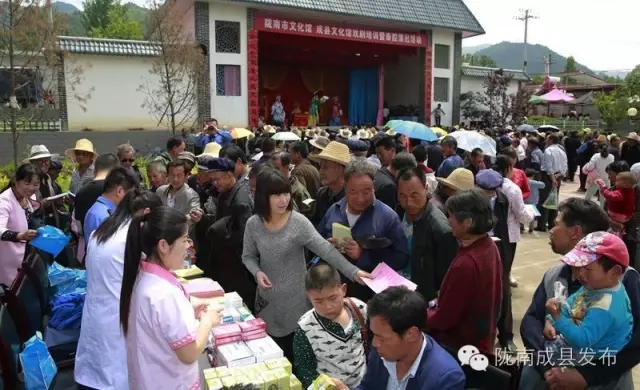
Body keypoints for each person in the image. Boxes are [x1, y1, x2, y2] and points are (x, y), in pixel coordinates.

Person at [242, 168, 367, 361]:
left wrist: (354, 272)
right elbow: (248, 256)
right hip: (267, 303)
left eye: (285, 193)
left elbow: (326, 250)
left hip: (297, 303)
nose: (283, 200)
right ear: (262, 196)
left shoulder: (298, 222)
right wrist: (257, 272)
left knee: (298, 358)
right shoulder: (253, 224)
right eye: (276, 195)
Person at [520, 198, 640, 390]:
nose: (550, 229)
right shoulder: (555, 274)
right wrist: (547, 367)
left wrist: (587, 376)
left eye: (556, 224)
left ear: (575, 232)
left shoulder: (624, 280)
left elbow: (635, 340)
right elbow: (531, 321)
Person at [120, 206, 222, 390]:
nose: (188, 246)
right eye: (184, 239)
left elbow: (159, 324)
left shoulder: (144, 277)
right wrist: (207, 322)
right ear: (163, 246)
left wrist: (188, 310)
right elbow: (189, 353)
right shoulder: (164, 293)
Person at [74, 190, 162, 390]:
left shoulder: (105, 228)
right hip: (115, 316)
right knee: (115, 375)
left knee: (100, 371)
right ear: (146, 212)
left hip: (99, 312)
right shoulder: (128, 237)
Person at [317, 159, 409, 302]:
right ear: (345, 188)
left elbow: (401, 258)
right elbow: (316, 246)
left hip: (371, 299)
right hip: (335, 295)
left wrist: (363, 255)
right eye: (353, 192)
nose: (360, 199)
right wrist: (327, 247)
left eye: (366, 191)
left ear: (374, 187)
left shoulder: (387, 217)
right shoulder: (333, 211)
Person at [427, 188, 502, 354]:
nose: (449, 220)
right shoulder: (489, 246)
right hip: (481, 340)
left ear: (467, 222)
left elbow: (445, 318)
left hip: (459, 347)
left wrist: (421, 317)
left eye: (451, 216)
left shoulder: (465, 264)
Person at [356, 287, 465, 390]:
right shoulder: (381, 351)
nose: (375, 343)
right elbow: (368, 387)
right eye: (374, 334)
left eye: (382, 338)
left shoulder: (446, 378)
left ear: (411, 335)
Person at [293, 263, 368, 388]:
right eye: (318, 301)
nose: (328, 306)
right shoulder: (305, 328)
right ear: (308, 297)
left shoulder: (359, 308)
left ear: (343, 290)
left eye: (333, 298)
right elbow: (304, 369)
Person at [396, 167, 458, 300]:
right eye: (403, 196)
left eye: (414, 195)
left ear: (426, 188)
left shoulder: (440, 229)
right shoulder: (398, 213)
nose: (408, 202)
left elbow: (447, 278)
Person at [0, 164, 40, 286]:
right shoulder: (4, 200)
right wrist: (21, 235)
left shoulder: (27, 197)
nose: (31, 188)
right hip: (8, 258)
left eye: (36, 184)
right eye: (27, 183)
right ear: (15, 181)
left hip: (25, 257)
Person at [74, 153, 120, 243]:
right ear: (116, 171)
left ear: (95, 169)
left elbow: (79, 227)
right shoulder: (117, 190)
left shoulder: (80, 193)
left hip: (90, 247)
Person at [84, 167, 138, 243]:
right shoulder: (103, 216)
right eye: (130, 194)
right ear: (119, 191)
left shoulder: (101, 211)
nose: (131, 199)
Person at [525, 168, 545, 233]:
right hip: (532, 201)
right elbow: (543, 185)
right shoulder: (533, 182)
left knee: (521, 214)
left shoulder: (523, 180)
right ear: (533, 175)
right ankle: (531, 228)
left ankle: (521, 227)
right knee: (532, 216)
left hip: (523, 200)